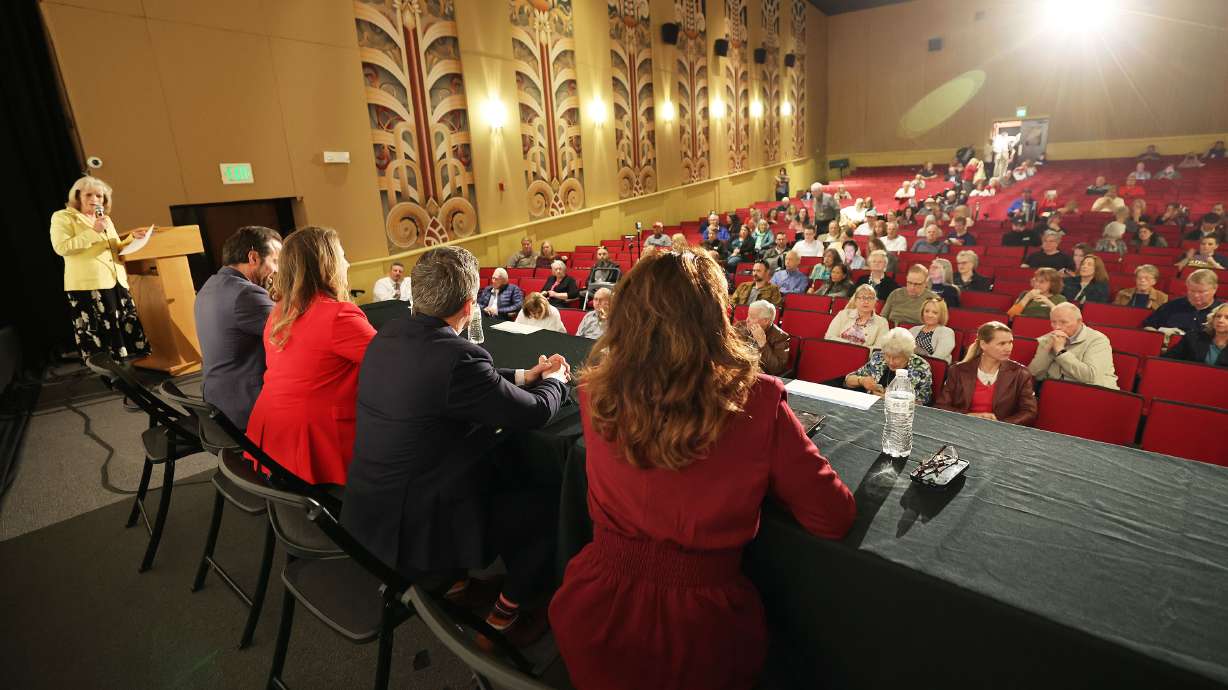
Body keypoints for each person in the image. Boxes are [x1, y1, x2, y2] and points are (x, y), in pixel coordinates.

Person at [550, 250, 854, 690]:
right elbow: (832, 516)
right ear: (715, 314)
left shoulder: (595, 391)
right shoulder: (758, 399)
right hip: (704, 631)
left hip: (593, 613)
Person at [344, 245, 569, 646]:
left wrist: (523, 374)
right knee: (545, 499)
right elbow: (534, 414)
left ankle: (453, 583)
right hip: (416, 526)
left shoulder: (388, 335)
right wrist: (557, 382)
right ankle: (504, 619)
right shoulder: (456, 357)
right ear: (470, 305)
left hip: (369, 513)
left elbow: (456, 384)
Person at [245, 226, 376, 485]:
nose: (347, 263)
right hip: (315, 441)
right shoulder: (338, 316)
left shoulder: (280, 311)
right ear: (327, 265)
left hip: (273, 433)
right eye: (342, 256)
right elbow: (396, 363)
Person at [50, 176, 151, 362]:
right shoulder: (63, 217)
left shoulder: (105, 219)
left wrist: (132, 239)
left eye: (100, 195)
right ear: (77, 196)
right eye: (90, 194)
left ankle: (130, 373)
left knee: (124, 333)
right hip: (89, 287)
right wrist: (94, 231)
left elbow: (114, 246)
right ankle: (112, 377)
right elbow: (61, 247)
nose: (96, 199)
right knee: (101, 339)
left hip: (115, 282)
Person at [194, 225, 282, 429]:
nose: (277, 270)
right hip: (244, 406)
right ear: (253, 257)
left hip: (217, 402)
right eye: (275, 261)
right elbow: (295, 332)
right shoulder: (245, 294)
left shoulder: (210, 286)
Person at [935, 322, 1037, 425]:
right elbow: (941, 406)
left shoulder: (1021, 373)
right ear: (983, 344)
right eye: (1002, 343)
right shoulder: (958, 370)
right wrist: (969, 416)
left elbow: (1029, 412)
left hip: (1000, 432)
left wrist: (1000, 425)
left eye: (1010, 342)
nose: (1008, 348)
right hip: (962, 426)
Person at [1028, 303, 1118, 389]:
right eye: (1053, 322)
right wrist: (1047, 349)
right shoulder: (1048, 338)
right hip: (1057, 391)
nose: (1057, 327)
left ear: (1079, 322)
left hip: (1093, 393)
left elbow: (1090, 376)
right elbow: (1034, 373)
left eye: (1063, 322)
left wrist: (1060, 351)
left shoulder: (1098, 340)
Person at [843, 328, 933, 404]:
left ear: (907, 355)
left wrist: (889, 399)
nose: (890, 361)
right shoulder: (878, 358)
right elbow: (848, 380)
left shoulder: (921, 367)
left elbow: (923, 401)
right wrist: (861, 381)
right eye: (887, 355)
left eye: (896, 358)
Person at [1143, 269, 1222, 334]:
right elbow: (1147, 326)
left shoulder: (1222, 312)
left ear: (1214, 289)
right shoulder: (1173, 305)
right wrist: (1160, 332)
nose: (1196, 295)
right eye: (1192, 291)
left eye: (1201, 292)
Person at [1162, 303, 1228, 367]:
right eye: (1218, 316)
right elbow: (1166, 360)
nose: (1220, 320)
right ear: (1212, 319)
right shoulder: (1193, 338)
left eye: (1227, 318)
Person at [736, 300, 791, 376]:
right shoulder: (741, 326)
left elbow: (776, 369)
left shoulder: (780, 337)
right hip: (738, 371)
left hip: (759, 377)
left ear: (766, 321)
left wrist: (763, 344)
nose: (747, 320)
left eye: (752, 317)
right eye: (748, 315)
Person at [909, 297, 956, 363]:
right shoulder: (913, 330)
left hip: (933, 368)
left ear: (941, 315)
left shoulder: (947, 332)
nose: (929, 315)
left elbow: (937, 359)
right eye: (927, 311)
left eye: (935, 313)